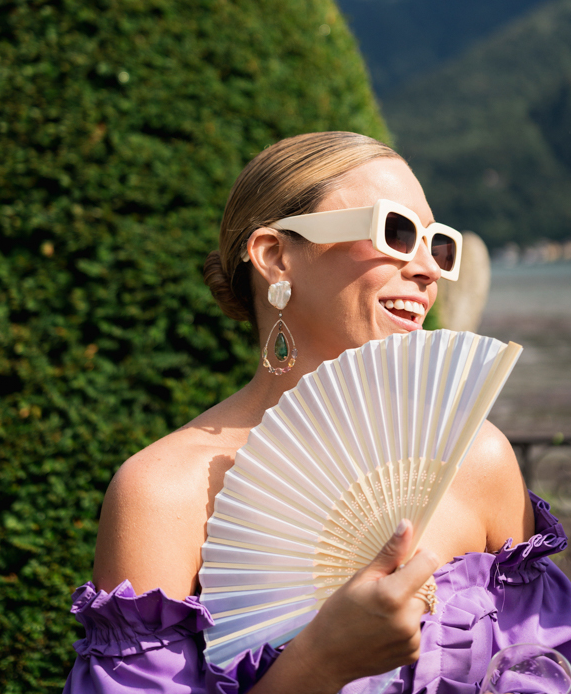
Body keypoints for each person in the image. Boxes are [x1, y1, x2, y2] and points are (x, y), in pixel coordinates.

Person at [64, 132, 571, 694]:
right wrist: (320, 664)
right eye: (397, 232)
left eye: (438, 244)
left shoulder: (477, 459)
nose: (428, 268)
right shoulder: (164, 496)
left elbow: (541, 668)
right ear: (276, 256)